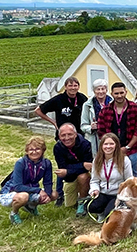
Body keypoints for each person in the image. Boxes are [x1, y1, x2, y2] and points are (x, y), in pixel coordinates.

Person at [35, 76, 87, 206]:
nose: (73, 88)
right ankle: (60, 194)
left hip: (79, 136)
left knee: (79, 162)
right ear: (65, 87)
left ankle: (81, 190)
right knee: (62, 166)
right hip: (63, 138)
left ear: (78, 87)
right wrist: (53, 122)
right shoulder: (59, 100)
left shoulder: (82, 98)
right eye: (70, 85)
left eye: (75, 85)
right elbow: (38, 110)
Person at [0, 136, 58, 225]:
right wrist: (38, 191)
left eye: (37, 149)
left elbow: (48, 182)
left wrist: (47, 194)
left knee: (54, 194)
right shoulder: (21, 163)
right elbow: (17, 186)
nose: (34, 152)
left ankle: (31, 206)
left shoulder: (46, 163)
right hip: (11, 191)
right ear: (26, 151)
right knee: (24, 196)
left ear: (43, 150)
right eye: (31, 149)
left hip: (30, 189)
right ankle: (14, 213)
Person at [97, 82, 137, 177]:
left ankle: (134, 192)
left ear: (126, 92)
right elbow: (101, 132)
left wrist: (127, 147)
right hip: (111, 149)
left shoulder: (136, 108)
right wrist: (111, 147)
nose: (119, 96)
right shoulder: (105, 111)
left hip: (131, 149)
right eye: (116, 93)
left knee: (132, 174)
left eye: (121, 93)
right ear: (111, 94)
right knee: (113, 174)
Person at [87, 133, 133, 221]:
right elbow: (94, 180)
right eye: (105, 144)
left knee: (110, 214)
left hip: (118, 195)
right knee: (91, 207)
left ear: (116, 145)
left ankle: (117, 209)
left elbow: (129, 181)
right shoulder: (97, 160)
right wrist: (95, 190)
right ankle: (100, 213)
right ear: (101, 146)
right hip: (103, 192)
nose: (108, 147)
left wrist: (124, 197)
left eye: (111, 144)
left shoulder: (124, 160)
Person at [53, 123, 93, 217]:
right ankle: (79, 196)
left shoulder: (85, 144)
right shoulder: (57, 148)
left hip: (82, 175)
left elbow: (89, 167)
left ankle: (82, 202)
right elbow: (63, 167)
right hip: (69, 178)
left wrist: (68, 170)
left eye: (70, 134)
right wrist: (81, 165)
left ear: (75, 134)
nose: (67, 138)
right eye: (63, 135)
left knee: (83, 177)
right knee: (70, 204)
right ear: (59, 136)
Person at [81, 78, 112, 157]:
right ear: (94, 91)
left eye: (103, 89)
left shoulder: (112, 103)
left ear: (106, 90)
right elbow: (83, 125)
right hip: (94, 140)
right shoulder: (87, 105)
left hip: (110, 137)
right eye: (98, 89)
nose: (101, 91)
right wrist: (91, 127)